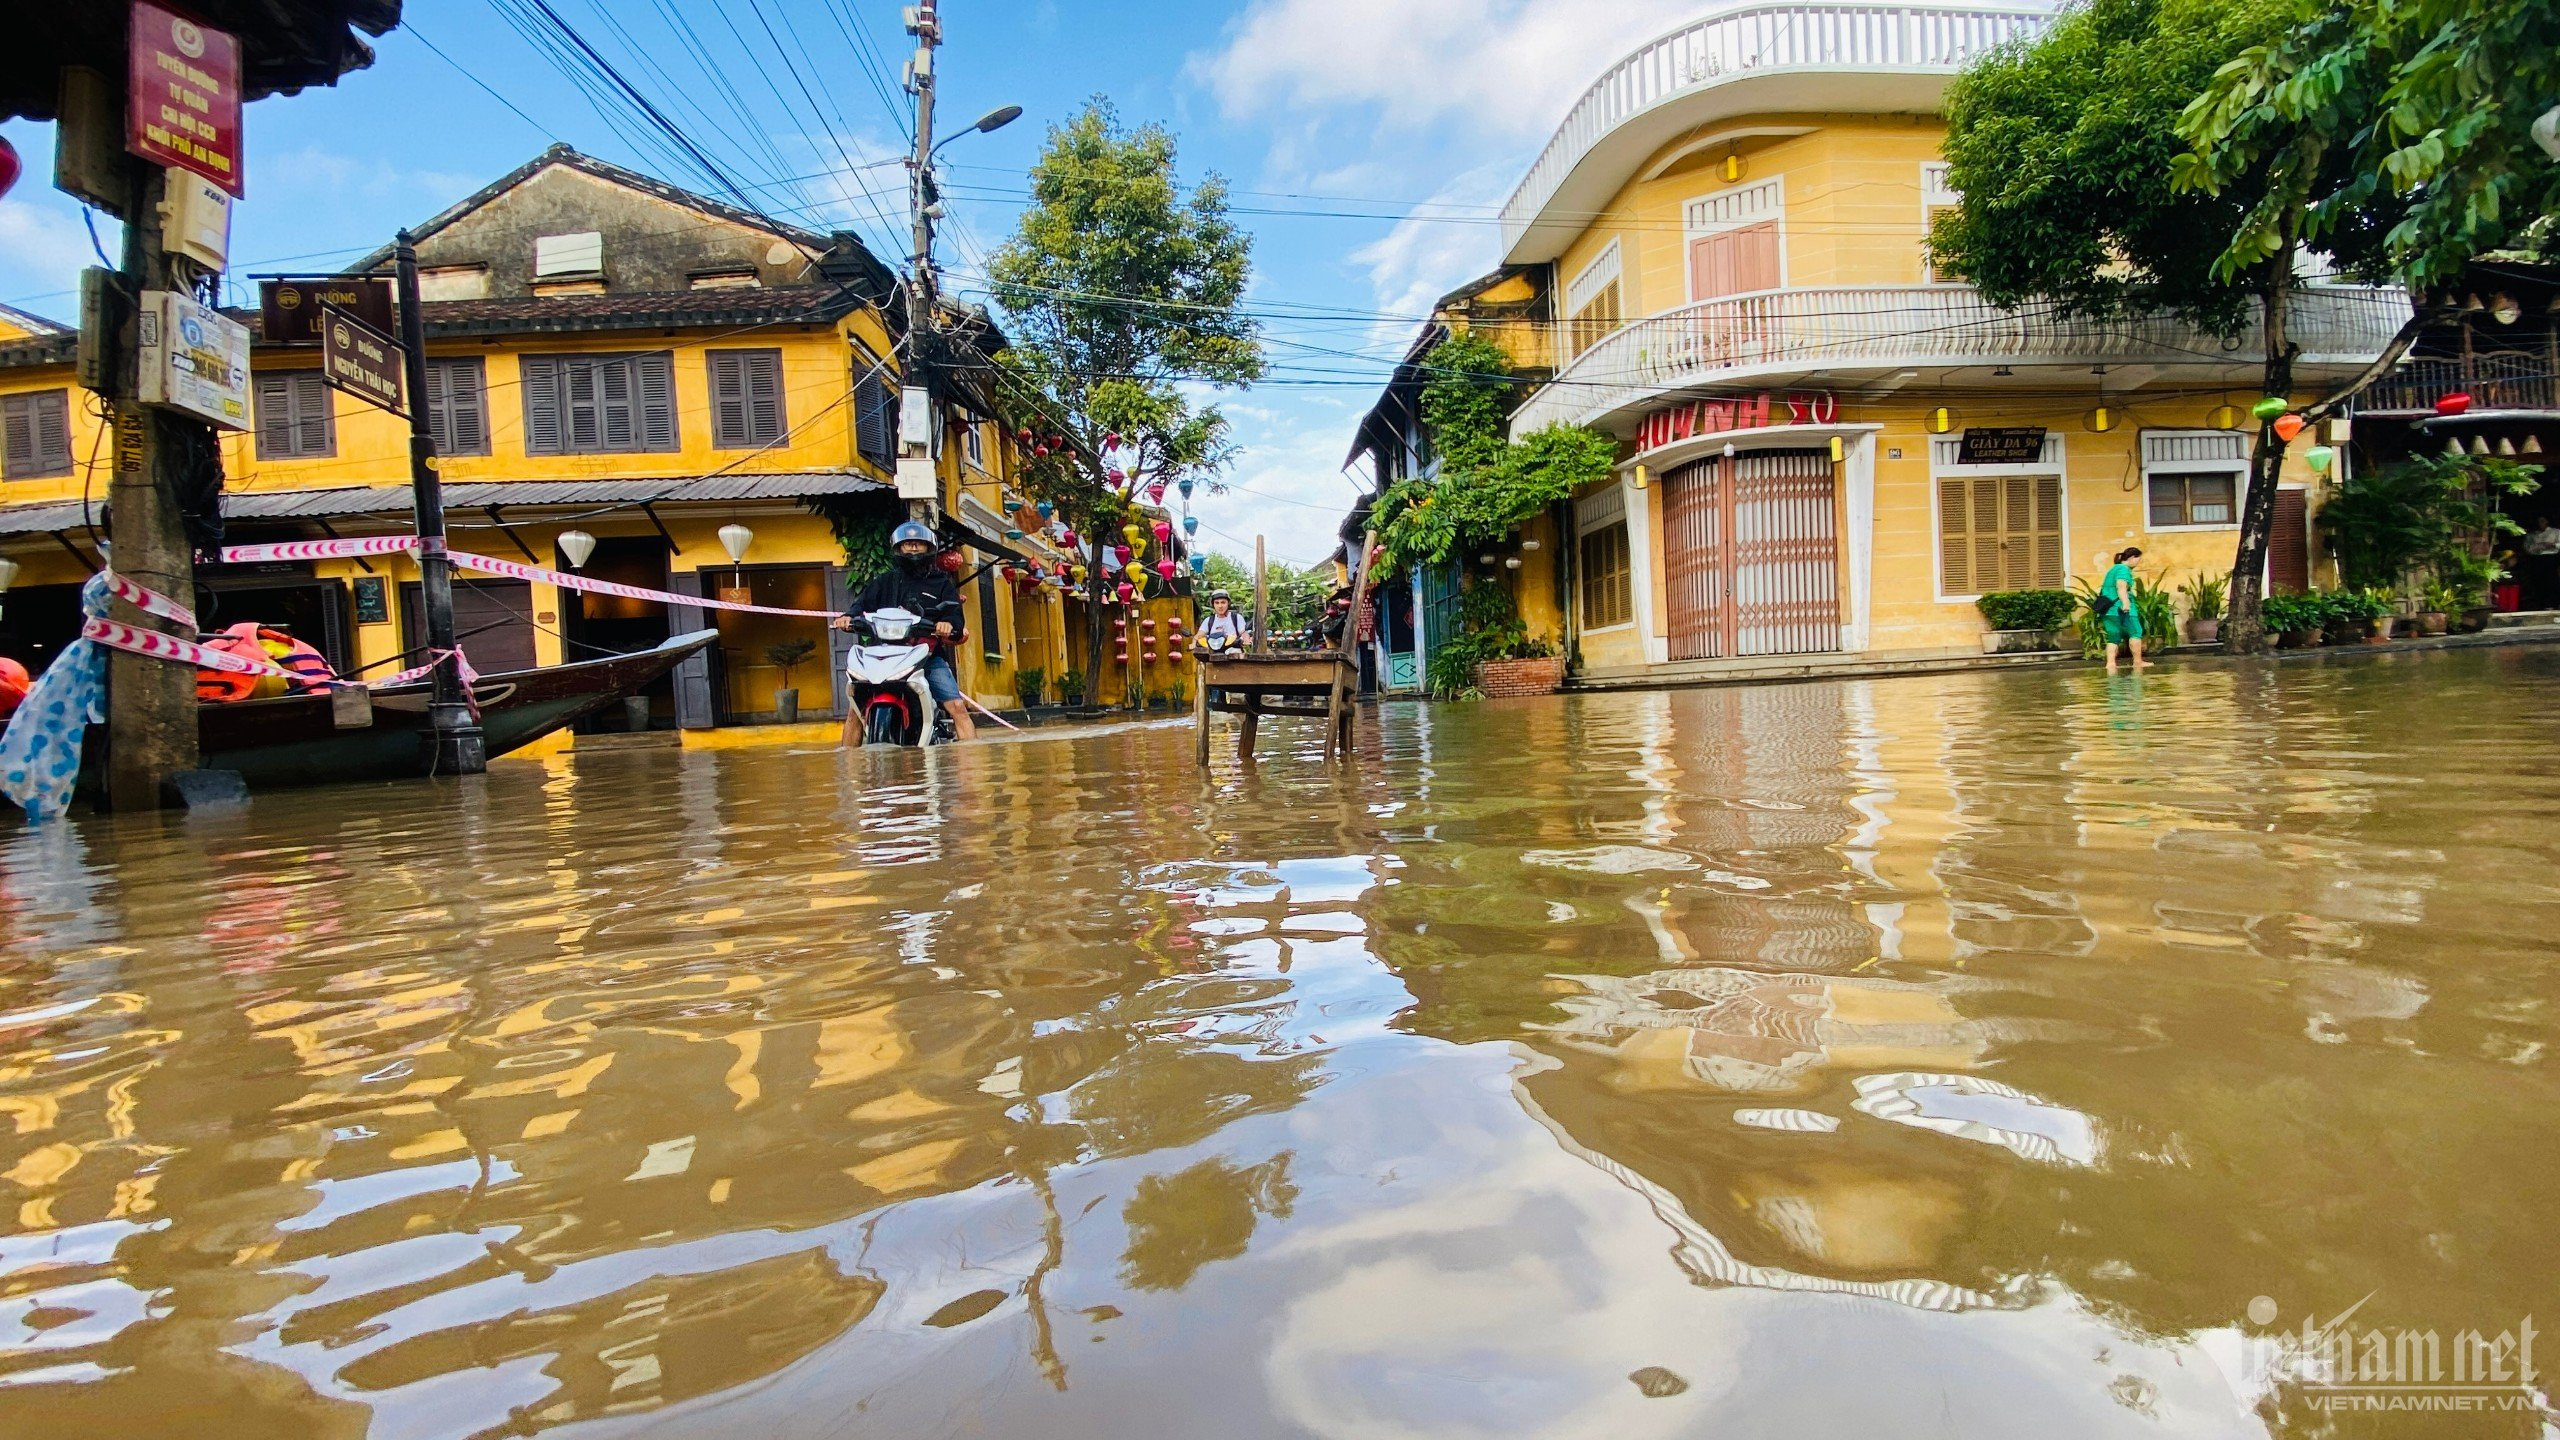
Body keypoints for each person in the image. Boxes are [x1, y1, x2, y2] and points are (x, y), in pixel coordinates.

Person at [835, 520, 974, 742]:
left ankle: (972, 769)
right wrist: (847, 617)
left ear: (929, 548)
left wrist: (947, 624)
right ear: (898, 548)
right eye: (907, 544)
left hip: (927, 657)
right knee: (854, 711)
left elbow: (955, 616)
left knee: (957, 707)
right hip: (882, 655)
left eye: (918, 544)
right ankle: (850, 770)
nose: (913, 548)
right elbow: (861, 604)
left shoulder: (941, 583)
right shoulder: (885, 581)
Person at [2098, 545, 2148, 671]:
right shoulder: (2123, 569)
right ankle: (2137, 662)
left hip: (2108, 610)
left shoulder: (2113, 569)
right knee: (2136, 632)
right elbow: (2121, 586)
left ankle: (2110, 664)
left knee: (2113, 637)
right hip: (2120, 608)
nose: (2138, 563)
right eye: (2138, 559)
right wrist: (2125, 603)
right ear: (2132, 557)